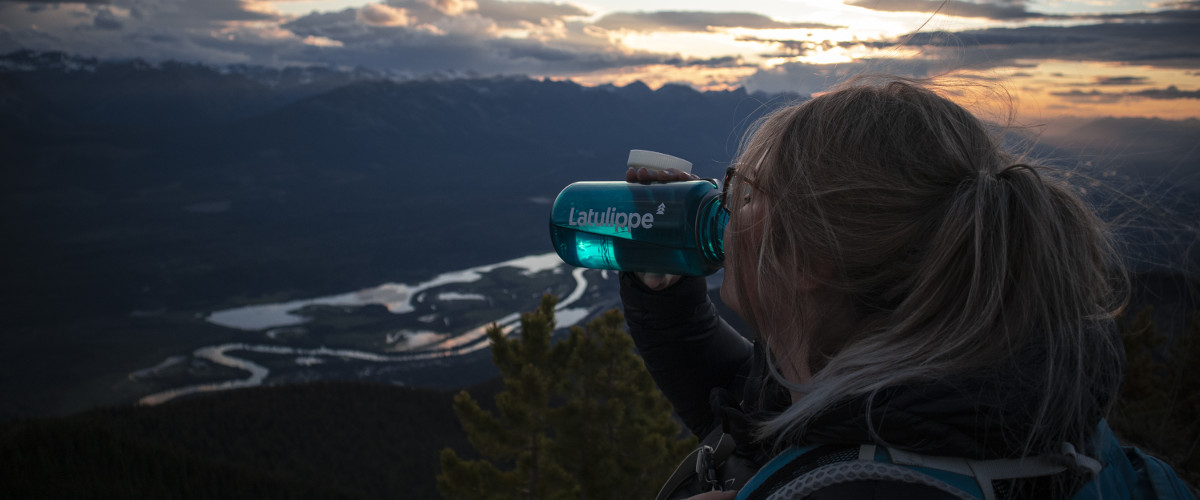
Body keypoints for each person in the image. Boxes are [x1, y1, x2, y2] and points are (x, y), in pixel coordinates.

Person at [620, 76, 1128, 499]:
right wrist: (665, 295)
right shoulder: (979, 394)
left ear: (811, 258)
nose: (725, 208)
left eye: (748, 194)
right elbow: (749, 405)